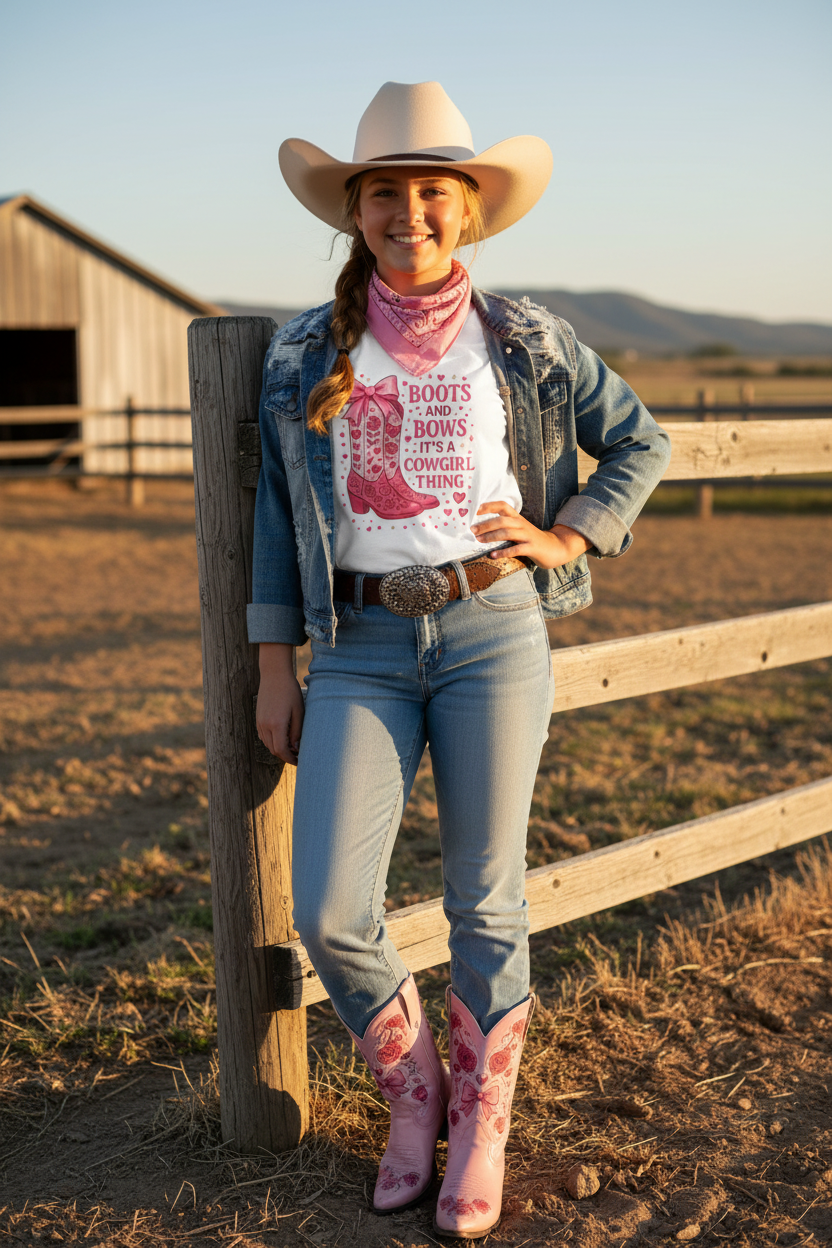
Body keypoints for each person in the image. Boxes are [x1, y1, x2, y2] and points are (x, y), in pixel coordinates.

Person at [250, 81, 671, 1240]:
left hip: (492, 635)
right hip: (357, 648)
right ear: (355, 210)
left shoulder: (527, 341)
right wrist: (274, 661)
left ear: (469, 209)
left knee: (486, 903)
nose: (408, 211)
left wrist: (569, 531)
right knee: (333, 907)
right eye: (383, 191)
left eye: (432, 191)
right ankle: (413, 1094)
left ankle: (482, 1124)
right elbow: (276, 523)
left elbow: (639, 438)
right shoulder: (301, 351)